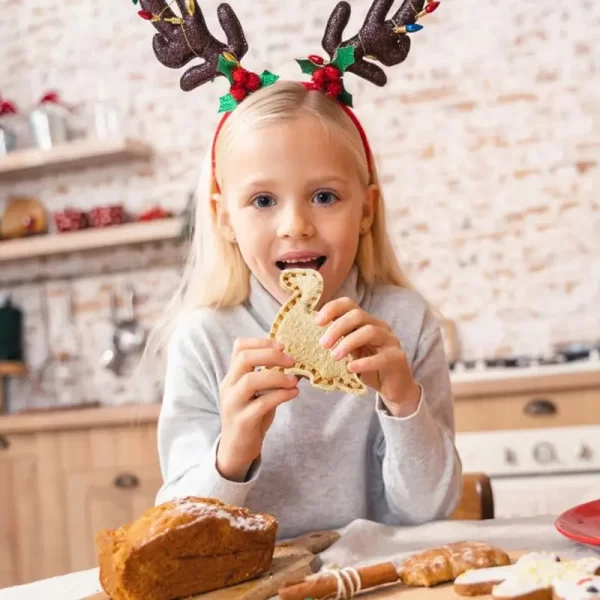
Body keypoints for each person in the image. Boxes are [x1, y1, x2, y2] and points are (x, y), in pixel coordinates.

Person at [141, 0, 461, 539]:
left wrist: (403, 400)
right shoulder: (205, 340)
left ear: (366, 209)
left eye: (324, 196)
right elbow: (180, 528)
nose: (296, 226)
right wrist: (231, 453)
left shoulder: (404, 323)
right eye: (263, 200)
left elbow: (429, 513)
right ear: (223, 219)